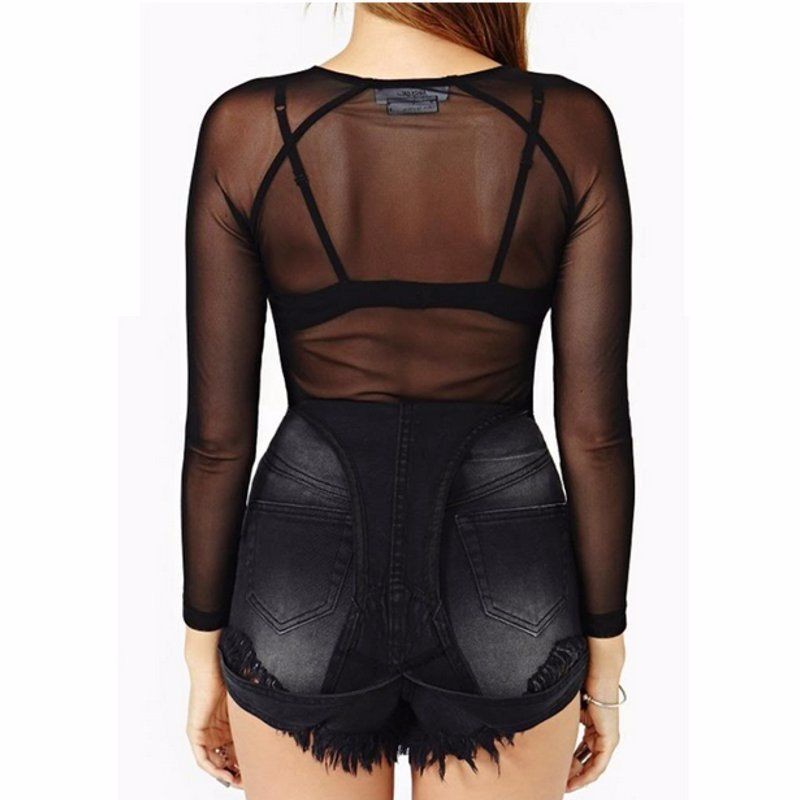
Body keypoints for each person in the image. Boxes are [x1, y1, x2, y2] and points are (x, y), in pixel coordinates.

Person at [181, 4, 634, 799]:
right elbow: (594, 436)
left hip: (301, 573)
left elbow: (218, 443)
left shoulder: (249, 126)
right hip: (508, 577)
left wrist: (200, 653)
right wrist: (606, 654)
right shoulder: (568, 125)